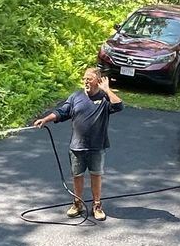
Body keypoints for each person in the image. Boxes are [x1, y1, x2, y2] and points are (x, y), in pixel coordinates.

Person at [32, 66, 124, 221]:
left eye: (89, 78)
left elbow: (119, 106)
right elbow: (62, 112)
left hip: (97, 145)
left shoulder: (104, 98)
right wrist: (45, 119)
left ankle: (97, 205)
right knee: (77, 175)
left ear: (98, 80)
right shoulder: (76, 97)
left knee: (96, 175)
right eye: (84, 78)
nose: (85, 81)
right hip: (77, 145)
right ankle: (77, 203)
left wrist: (107, 90)